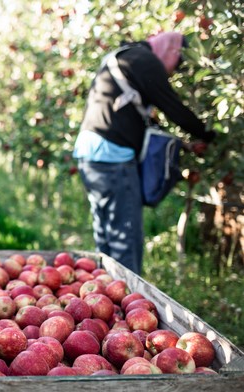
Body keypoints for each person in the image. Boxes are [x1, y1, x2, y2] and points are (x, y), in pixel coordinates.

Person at [73, 31, 217, 275]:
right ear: (172, 51)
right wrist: (208, 135)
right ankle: (125, 293)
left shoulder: (124, 56)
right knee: (125, 237)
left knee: (106, 233)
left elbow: (138, 118)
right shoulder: (146, 62)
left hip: (89, 154)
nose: (174, 71)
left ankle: (101, 289)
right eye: (179, 63)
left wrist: (183, 144)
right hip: (113, 157)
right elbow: (173, 107)